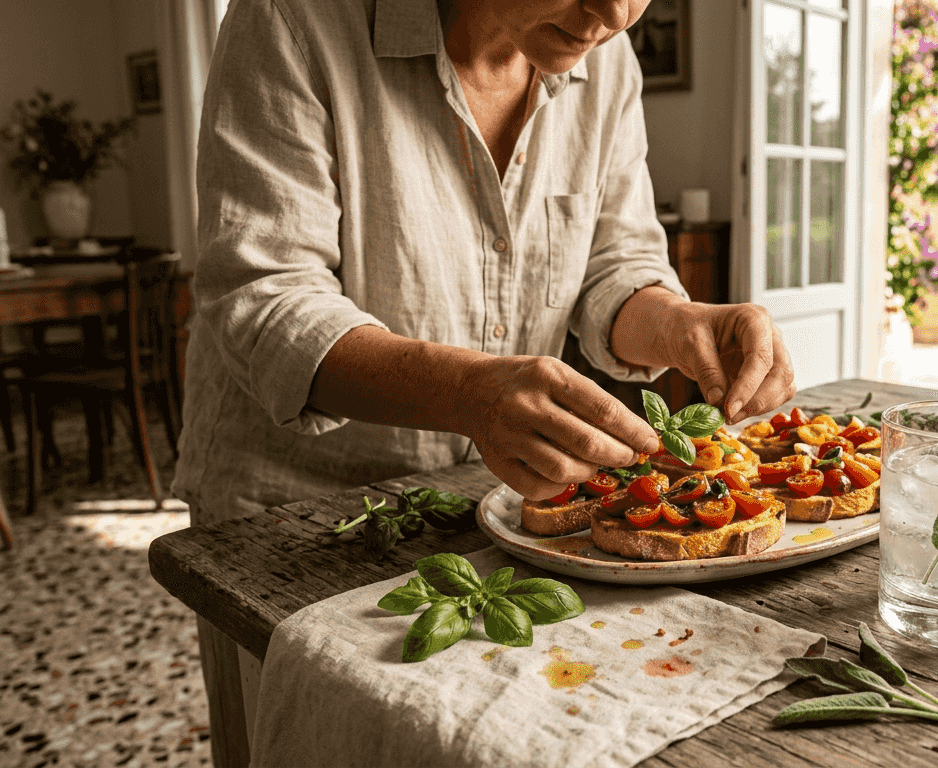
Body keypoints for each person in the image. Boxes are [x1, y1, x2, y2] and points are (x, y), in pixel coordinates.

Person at [174, 0, 795, 760]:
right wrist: (468, 394)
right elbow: (263, 294)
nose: (616, 14)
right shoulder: (291, 17)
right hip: (295, 525)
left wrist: (679, 323)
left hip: (482, 516)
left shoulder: (605, 60)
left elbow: (614, 266)